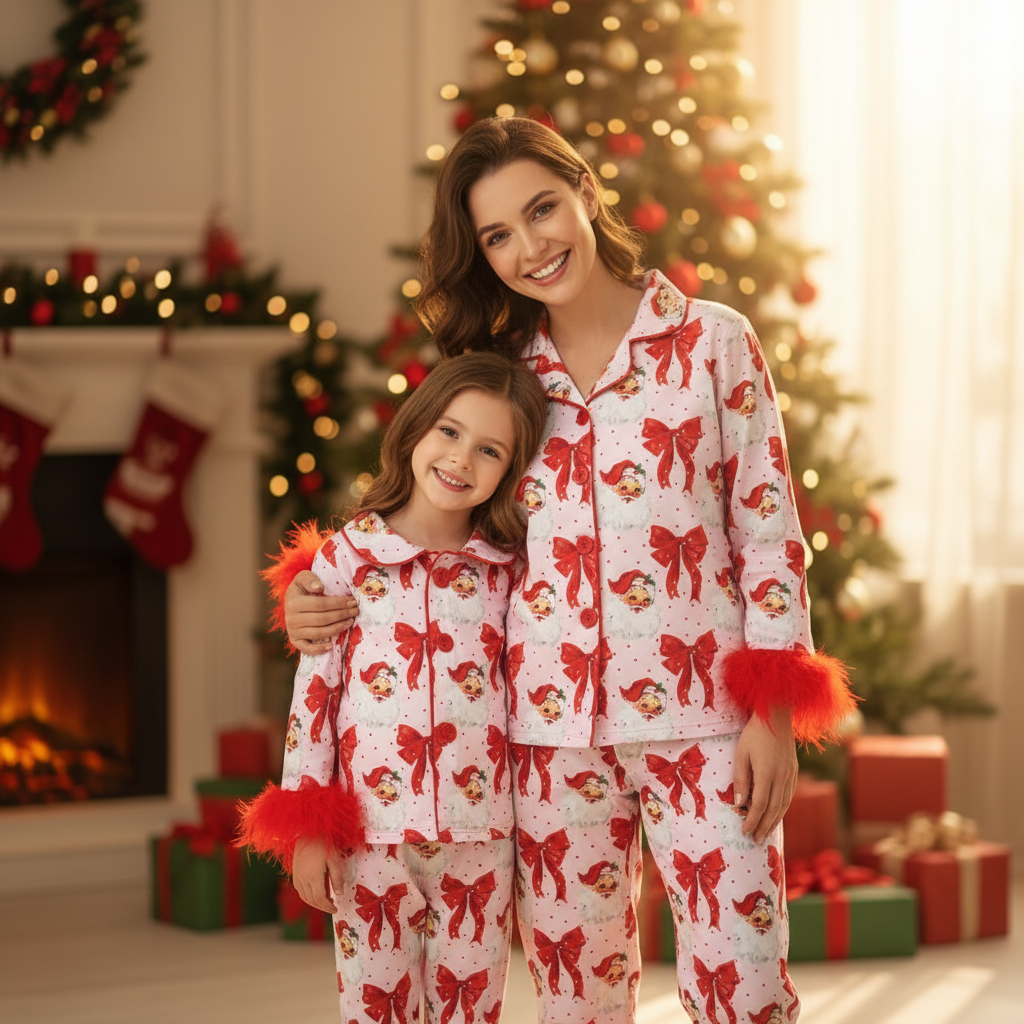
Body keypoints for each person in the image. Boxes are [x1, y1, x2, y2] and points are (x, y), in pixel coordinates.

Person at [279, 118, 856, 1024]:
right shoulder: (505, 381)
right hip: (545, 745)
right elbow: (428, 531)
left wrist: (774, 715)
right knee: (577, 1004)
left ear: (585, 192)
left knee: (744, 988)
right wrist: (318, 594)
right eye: (497, 236)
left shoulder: (712, 342)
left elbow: (768, 529)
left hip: (706, 723)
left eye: (540, 210)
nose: (528, 247)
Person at [239, 351, 548, 1024]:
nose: (461, 459)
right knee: (375, 1010)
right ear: (414, 429)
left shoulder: (507, 570)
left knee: (472, 1012)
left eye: (489, 450)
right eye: (449, 431)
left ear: (510, 471)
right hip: (371, 844)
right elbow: (312, 705)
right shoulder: (345, 561)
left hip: (481, 840)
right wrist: (309, 830)